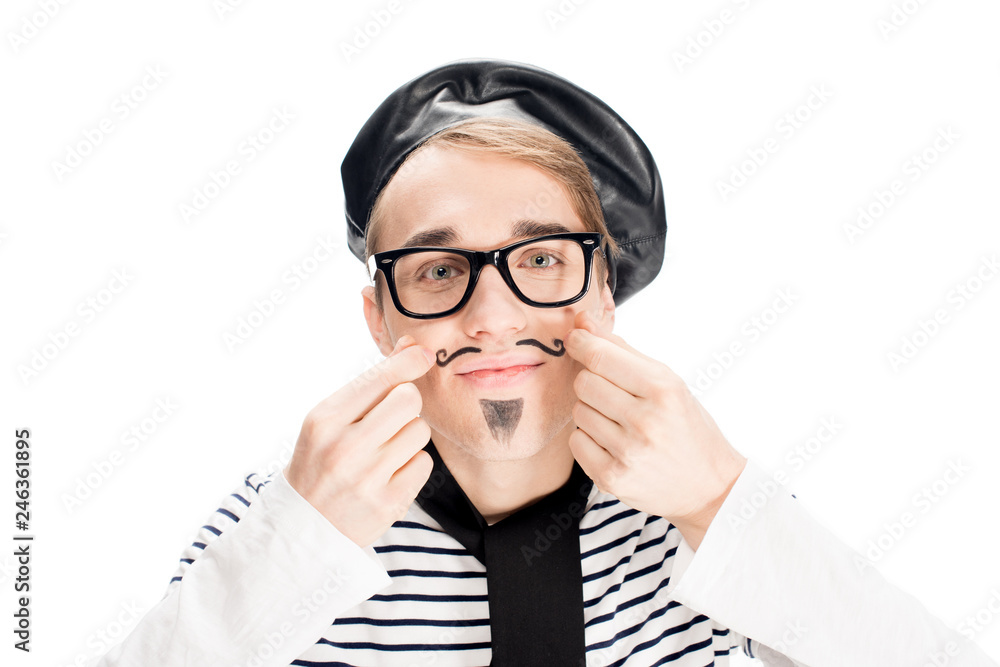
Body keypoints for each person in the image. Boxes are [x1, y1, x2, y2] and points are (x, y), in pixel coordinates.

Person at [96, 60, 997, 666]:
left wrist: (724, 500)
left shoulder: (715, 525)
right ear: (378, 316)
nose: (493, 317)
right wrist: (292, 546)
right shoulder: (281, 525)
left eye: (540, 260)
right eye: (439, 269)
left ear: (604, 289)